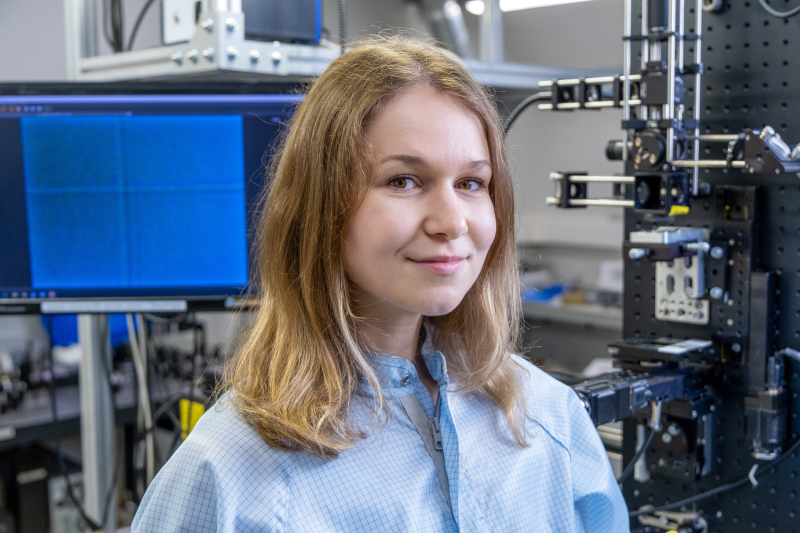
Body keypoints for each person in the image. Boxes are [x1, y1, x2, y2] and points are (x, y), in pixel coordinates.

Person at [132, 35, 629, 532]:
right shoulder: (227, 477)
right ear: (321, 206)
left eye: (471, 183)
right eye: (403, 181)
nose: (452, 222)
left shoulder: (548, 418)